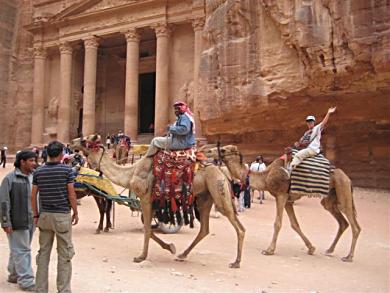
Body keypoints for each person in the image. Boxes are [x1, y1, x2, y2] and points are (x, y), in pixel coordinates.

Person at [31, 141, 79, 293]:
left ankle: (40, 289)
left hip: (44, 216)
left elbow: (33, 196)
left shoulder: (39, 171)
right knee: (64, 255)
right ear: (61, 154)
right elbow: (71, 194)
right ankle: (63, 290)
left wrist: (36, 214)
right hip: (62, 216)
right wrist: (75, 211)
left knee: (43, 254)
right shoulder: (67, 171)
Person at [0, 150, 37, 291]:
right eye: (31, 161)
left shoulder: (34, 177)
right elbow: (4, 202)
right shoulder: (10, 179)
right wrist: (5, 222)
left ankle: (14, 274)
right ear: (22, 162)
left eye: (34, 160)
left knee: (19, 248)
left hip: (31, 220)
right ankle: (26, 280)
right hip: (17, 220)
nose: (34, 163)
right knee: (23, 250)